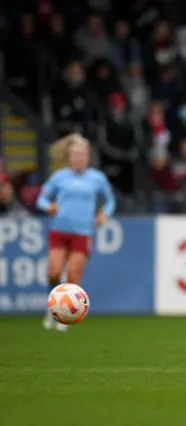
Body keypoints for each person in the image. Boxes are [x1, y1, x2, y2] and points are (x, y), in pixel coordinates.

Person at [37, 134, 116, 331]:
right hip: (59, 230)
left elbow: (110, 201)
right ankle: (52, 310)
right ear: (69, 157)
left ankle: (64, 317)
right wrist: (48, 207)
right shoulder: (59, 177)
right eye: (75, 154)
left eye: (81, 154)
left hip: (82, 233)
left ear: (88, 157)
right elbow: (42, 199)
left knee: (73, 276)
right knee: (54, 272)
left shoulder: (97, 179)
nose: (78, 158)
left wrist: (104, 214)